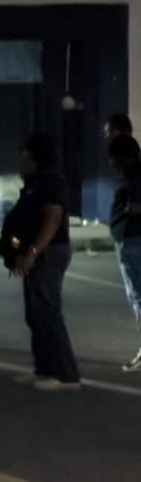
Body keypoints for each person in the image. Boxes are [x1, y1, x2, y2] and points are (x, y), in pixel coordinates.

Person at [3, 132, 81, 391]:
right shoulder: (35, 181)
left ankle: (66, 376)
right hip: (37, 252)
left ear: (34, 154)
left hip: (49, 252)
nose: (20, 156)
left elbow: (53, 219)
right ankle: (45, 369)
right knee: (35, 313)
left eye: (24, 151)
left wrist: (33, 251)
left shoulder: (50, 181)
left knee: (48, 313)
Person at [108, 134, 141, 371]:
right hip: (131, 238)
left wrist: (132, 210)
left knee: (138, 295)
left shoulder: (131, 179)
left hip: (132, 239)